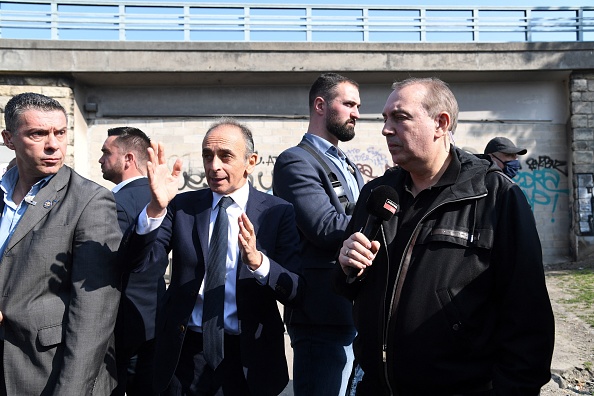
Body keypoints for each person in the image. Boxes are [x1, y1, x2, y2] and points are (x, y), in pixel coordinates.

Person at [334, 78, 555, 395]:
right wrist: (345, 268)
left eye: (400, 117)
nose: (386, 129)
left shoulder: (495, 197)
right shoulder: (377, 194)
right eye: (385, 118)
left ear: (441, 123)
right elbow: (347, 286)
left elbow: (528, 318)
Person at [118, 118, 305, 395]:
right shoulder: (182, 207)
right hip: (185, 356)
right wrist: (155, 210)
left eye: (225, 156)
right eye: (208, 156)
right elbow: (139, 263)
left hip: (248, 359)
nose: (214, 166)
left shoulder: (277, 212)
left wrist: (259, 263)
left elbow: (295, 289)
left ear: (250, 162)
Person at [0, 92, 122, 395]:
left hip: (48, 373)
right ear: (9, 139)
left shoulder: (90, 201)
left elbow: (94, 317)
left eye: (60, 132)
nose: (53, 144)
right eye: (38, 134)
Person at [273, 72, 364, 396]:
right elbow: (325, 227)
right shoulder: (294, 161)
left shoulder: (347, 164)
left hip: (351, 311)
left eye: (358, 105)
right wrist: (384, 224)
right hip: (321, 314)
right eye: (349, 104)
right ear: (321, 105)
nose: (356, 113)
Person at [99, 126, 161, 396]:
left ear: (128, 159)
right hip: (156, 315)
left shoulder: (114, 202)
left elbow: (113, 263)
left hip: (122, 324)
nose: (100, 160)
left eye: (106, 153)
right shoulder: (160, 196)